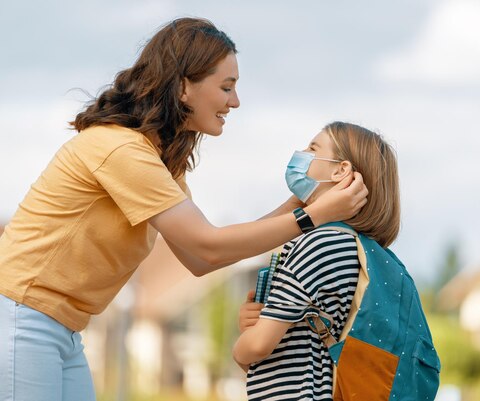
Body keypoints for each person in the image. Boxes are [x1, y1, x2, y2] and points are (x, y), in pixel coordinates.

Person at [0, 18, 367, 401]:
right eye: (226, 87)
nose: (235, 101)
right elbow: (208, 246)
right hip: (20, 315)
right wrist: (313, 217)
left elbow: (199, 259)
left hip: (62, 329)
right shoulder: (120, 149)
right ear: (182, 86)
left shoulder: (158, 164)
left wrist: (297, 204)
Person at [233, 121, 400, 400]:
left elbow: (259, 346)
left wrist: (241, 346)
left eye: (313, 147)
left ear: (341, 170)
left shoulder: (319, 244)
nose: (302, 153)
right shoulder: (354, 247)